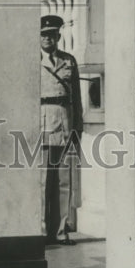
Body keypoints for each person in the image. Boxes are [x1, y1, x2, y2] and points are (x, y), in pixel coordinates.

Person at [39, 14, 83, 246]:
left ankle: (60, 230)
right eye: (44, 34)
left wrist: (78, 127)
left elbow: (75, 97)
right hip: (42, 124)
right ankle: (41, 229)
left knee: (64, 180)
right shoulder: (32, 61)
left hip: (65, 124)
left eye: (52, 34)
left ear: (58, 36)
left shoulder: (69, 61)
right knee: (43, 180)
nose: (48, 38)